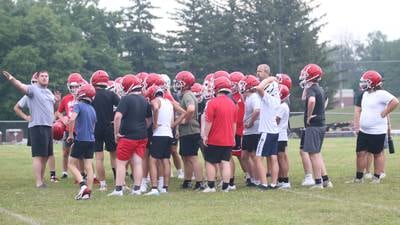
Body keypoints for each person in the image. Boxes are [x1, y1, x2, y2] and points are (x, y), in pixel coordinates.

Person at [3, 70, 58, 188]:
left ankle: (42, 179)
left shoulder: (48, 92)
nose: (44, 78)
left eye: (46, 76)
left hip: (48, 126)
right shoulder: (33, 89)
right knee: (38, 155)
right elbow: (20, 86)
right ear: (37, 79)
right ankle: (38, 183)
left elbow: (54, 106)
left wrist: (57, 101)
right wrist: (12, 79)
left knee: (47, 155)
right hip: (37, 126)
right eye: (42, 76)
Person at [108, 75, 152, 196]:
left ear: (129, 86)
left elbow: (117, 117)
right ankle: (137, 189)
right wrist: (142, 127)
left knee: (121, 163)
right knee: (137, 162)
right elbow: (149, 118)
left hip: (127, 136)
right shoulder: (144, 99)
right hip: (142, 135)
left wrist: (116, 133)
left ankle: (118, 190)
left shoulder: (126, 99)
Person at [351, 70, 399, 183]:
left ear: (372, 82)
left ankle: (376, 177)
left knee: (377, 154)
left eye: (365, 81)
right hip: (364, 131)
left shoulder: (381, 93)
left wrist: (385, 112)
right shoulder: (365, 94)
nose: (362, 84)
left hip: (377, 131)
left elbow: (395, 101)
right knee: (360, 153)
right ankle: (359, 178)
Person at [299, 64, 332, 189]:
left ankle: (318, 182)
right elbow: (305, 98)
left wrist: (309, 115)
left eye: (305, 75)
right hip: (320, 124)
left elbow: (311, 101)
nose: (303, 77)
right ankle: (325, 181)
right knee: (316, 153)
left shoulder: (312, 89)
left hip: (314, 125)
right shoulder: (319, 88)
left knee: (313, 154)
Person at [202, 76, 237, 193]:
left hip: (215, 138)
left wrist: (205, 135)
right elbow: (234, 123)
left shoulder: (212, 103)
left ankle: (211, 186)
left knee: (210, 161)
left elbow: (209, 122)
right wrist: (233, 137)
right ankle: (226, 187)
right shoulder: (233, 104)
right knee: (225, 162)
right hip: (228, 138)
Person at [173, 71, 204, 190]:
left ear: (185, 83)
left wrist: (185, 120)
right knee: (186, 156)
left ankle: (200, 182)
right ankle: (188, 180)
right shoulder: (186, 95)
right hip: (187, 131)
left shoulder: (187, 95)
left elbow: (190, 109)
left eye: (179, 82)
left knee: (192, 157)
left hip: (191, 130)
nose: (177, 84)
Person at [91, 70, 120, 191]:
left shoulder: (91, 94)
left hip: (95, 127)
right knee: (114, 155)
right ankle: (118, 181)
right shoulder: (111, 94)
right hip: (109, 126)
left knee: (99, 157)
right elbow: (120, 107)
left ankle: (103, 184)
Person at [67, 84, 97, 200]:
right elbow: (93, 126)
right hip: (91, 140)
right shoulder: (93, 109)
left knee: (71, 164)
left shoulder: (78, 105)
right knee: (88, 166)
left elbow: (72, 119)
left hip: (81, 139)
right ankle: (88, 193)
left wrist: (70, 135)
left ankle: (82, 185)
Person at [144, 85, 176, 195]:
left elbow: (156, 108)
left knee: (152, 161)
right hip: (168, 134)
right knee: (165, 160)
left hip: (159, 134)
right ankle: (165, 187)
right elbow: (174, 120)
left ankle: (154, 188)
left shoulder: (155, 101)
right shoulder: (169, 102)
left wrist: (155, 123)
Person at [254, 64, 281, 189]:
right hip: (274, 131)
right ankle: (274, 183)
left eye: (260, 71)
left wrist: (270, 79)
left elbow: (258, 88)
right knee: (273, 157)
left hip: (266, 132)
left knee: (258, 158)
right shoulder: (277, 99)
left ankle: (264, 183)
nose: (257, 73)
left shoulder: (269, 98)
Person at [55, 73, 86, 179]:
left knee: (80, 154)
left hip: (80, 129)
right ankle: (65, 172)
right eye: (72, 86)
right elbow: (58, 112)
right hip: (68, 129)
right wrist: (63, 119)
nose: (74, 88)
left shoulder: (83, 98)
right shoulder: (66, 98)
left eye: (76, 86)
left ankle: (82, 173)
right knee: (65, 152)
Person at [240, 75, 261, 186]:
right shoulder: (248, 97)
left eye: (244, 83)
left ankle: (256, 179)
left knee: (253, 155)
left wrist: (251, 122)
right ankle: (252, 177)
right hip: (248, 131)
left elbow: (257, 110)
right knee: (244, 156)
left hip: (254, 130)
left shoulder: (254, 97)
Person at [276, 84, 291, 189]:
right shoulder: (282, 106)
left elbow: (276, 120)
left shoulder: (282, 107)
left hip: (280, 135)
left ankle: (285, 180)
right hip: (281, 134)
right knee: (279, 158)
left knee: (281, 158)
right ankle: (281, 179)